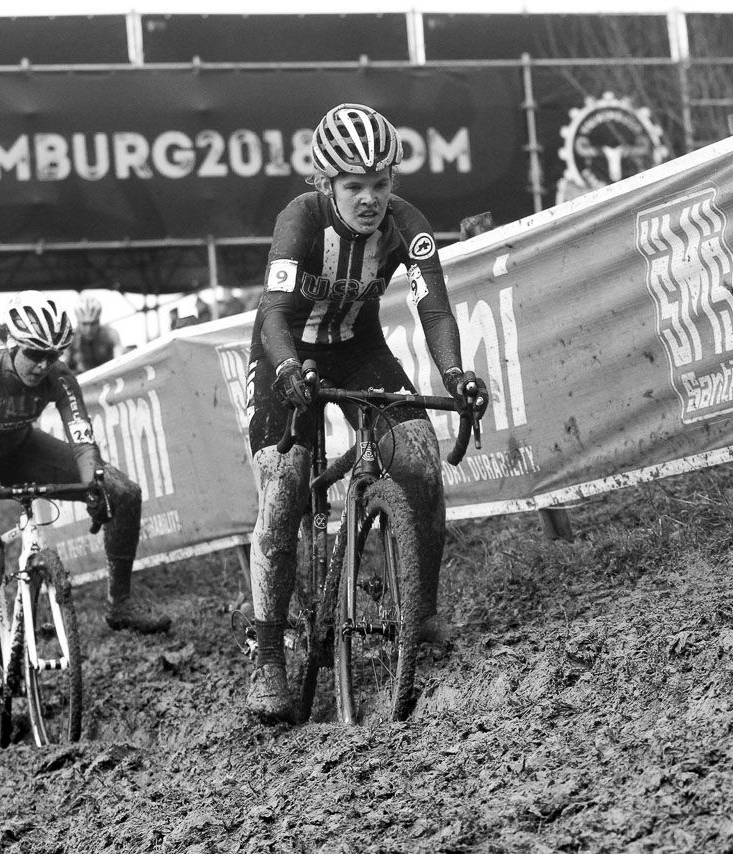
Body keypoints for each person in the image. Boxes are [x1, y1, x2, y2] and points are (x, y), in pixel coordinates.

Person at [242, 103, 486, 722]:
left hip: (358, 349)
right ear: (327, 185)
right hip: (287, 351)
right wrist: (286, 368)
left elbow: (434, 308)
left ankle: (419, 613)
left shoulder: (407, 224)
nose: (370, 198)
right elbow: (273, 311)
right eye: (354, 186)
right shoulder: (300, 219)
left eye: (381, 183)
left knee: (421, 461)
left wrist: (455, 374)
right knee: (285, 487)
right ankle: (269, 656)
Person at [0, 291, 171, 748]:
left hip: (20, 447)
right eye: (35, 355)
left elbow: (82, 442)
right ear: (11, 345)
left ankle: (120, 603)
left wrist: (92, 486)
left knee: (121, 490)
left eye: (53, 355)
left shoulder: (59, 377)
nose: (44, 365)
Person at [66, 295, 121, 373]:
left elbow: (119, 362)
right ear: (78, 322)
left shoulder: (111, 334)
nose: (89, 329)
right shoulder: (70, 338)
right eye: (84, 324)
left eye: (93, 323)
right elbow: (62, 366)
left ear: (99, 320)